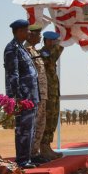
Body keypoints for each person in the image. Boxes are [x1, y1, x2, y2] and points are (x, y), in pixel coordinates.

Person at [4, 19, 39, 168]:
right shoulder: (12, 49)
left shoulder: (21, 48)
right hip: (23, 97)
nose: (29, 32)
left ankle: (27, 158)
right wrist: (17, 98)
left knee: (29, 129)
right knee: (23, 130)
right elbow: (13, 75)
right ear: (19, 31)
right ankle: (22, 160)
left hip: (31, 96)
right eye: (27, 30)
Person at [24, 24, 49, 164]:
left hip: (42, 94)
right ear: (31, 35)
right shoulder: (26, 51)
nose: (40, 37)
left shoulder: (34, 51)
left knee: (40, 124)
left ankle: (35, 153)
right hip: (34, 94)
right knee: (32, 125)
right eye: (38, 34)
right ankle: (29, 155)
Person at [39, 31, 64, 160]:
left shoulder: (50, 53)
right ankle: (43, 147)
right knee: (47, 120)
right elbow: (53, 57)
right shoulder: (43, 53)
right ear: (47, 41)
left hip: (53, 92)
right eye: (53, 41)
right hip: (47, 93)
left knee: (53, 119)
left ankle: (47, 146)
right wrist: (58, 46)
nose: (55, 44)